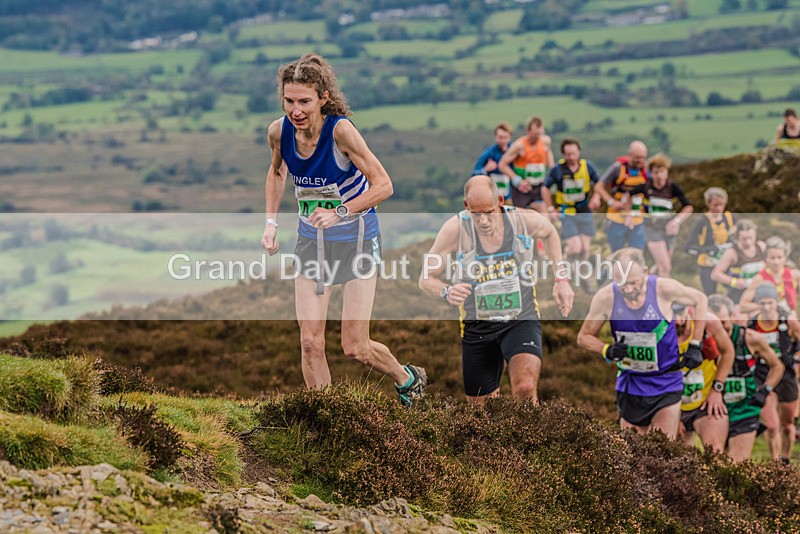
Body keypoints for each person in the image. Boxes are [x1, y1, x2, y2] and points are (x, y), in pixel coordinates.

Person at [260, 53, 426, 406]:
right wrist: (270, 224)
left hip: (357, 239)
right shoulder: (279, 131)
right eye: (289, 101)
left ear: (323, 98)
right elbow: (277, 172)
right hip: (311, 242)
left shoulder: (341, 132)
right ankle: (329, 416)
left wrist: (340, 211)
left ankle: (407, 378)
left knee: (355, 346)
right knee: (310, 342)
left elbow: (383, 185)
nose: (296, 110)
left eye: (304, 101)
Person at [419, 175, 574, 405]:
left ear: (500, 201)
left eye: (489, 211)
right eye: (476, 213)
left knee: (525, 386)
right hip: (477, 326)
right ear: (466, 206)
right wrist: (446, 291)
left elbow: (550, 232)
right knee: (482, 411)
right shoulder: (455, 230)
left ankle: (533, 439)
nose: (483, 220)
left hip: (520, 317)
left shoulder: (521, 221)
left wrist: (561, 279)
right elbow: (426, 278)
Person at [577, 247, 709, 439]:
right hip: (631, 382)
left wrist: (695, 344)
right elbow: (584, 337)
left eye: (633, 283)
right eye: (621, 283)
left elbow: (700, 299)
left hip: (667, 380)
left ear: (645, 273)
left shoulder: (663, 289)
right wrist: (607, 349)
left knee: (662, 449)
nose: (628, 289)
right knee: (632, 450)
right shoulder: (606, 298)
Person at [707, 295, 783, 462]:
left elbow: (777, 366)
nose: (719, 330)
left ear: (733, 317)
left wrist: (766, 389)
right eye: (715, 325)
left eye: (724, 323)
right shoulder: (704, 340)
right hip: (715, 411)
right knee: (717, 463)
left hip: (745, 410)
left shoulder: (751, 338)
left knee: (736, 464)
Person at [747, 282, 800, 463]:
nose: (767, 307)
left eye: (770, 303)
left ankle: (785, 458)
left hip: (786, 375)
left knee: (787, 425)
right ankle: (775, 463)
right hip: (763, 374)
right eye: (762, 303)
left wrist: (797, 360)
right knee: (771, 426)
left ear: (777, 302)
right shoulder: (753, 324)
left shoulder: (788, 322)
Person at [673, 303, 733, 454]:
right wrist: (670, 414)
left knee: (715, 451)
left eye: (681, 314)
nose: (678, 321)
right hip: (672, 402)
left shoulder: (709, 323)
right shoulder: (658, 327)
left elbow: (728, 352)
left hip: (706, 400)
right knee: (679, 458)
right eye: (673, 316)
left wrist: (717, 390)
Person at [542, 138, 600, 290]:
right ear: (563, 154)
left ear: (578, 152)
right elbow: (545, 188)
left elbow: (599, 183)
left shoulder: (587, 166)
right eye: (568, 154)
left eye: (573, 153)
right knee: (575, 248)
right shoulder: (557, 170)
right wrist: (550, 208)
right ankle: (565, 261)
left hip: (585, 211)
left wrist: (596, 196)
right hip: (567, 212)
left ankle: (580, 275)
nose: (571, 157)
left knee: (585, 249)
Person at [590, 141, 648, 252]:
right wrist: (611, 202)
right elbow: (598, 187)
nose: (641, 161)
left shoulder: (645, 170)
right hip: (616, 218)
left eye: (643, 158)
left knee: (637, 253)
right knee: (617, 253)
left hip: (637, 218)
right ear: (630, 155)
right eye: (638, 157)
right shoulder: (617, 168)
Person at [642, 154, 693, 277]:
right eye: (655, 172)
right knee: (665, 266)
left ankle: (648, 282)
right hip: (651, 229)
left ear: (667, 172)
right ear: (651, 174)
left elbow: (689, 207)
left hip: (668, 230)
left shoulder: (673, 188)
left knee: (662, 265)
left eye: (662, 171)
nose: (659, 175)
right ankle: (663, 294)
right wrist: (630, 214)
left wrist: (677, 221)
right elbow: (628, 196)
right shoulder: (645, 187)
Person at [498, 116, 555, 214]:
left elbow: (550, 161)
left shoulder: (545, 142)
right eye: (534, 134)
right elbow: (502, 165)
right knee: (521, 219)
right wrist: (517, 180)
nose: (537, 137)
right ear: (528, 131)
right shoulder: (519, 145)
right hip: (522, 189)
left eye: (539, 134)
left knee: (544, 218)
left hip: (538, 187)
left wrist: (553, 175)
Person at [684, 187, 734, 296]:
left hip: (725, 262)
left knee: (734, 288)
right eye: (716, 205)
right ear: (708, 204)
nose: (720, 208)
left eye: (722, 204)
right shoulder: (703, 222)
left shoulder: (729, 217)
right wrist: (709, 249)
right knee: (710, 295)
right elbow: (688, 246)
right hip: (707, 264)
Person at [738, 236, 800, 315]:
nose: (776, 262)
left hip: (791, 320)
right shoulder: (760, 278)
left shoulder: (794, 275)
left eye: (779, 257)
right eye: (772, 258)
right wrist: (765, 305)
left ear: (785, 257)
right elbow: (743, 306)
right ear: (766, 258)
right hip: (769, 321)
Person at [711, 219, 766, 303]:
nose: (748, 242)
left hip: (759, 291)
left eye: (750, 238)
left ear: (755, 234)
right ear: (737, 237)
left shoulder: (761, 246)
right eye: (744, 239)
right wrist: (733, 281)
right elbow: (715, 274)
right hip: (739, 294)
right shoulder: (732, 252)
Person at [472, 121, 513, 200]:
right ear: (495, 137)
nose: (502, 141)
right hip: (493, 197)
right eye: (500, 137)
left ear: (510, 137)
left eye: (505, 137)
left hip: (512, 196)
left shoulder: (515, 151)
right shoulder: (489, 153)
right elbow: (474, 174)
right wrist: (485, 170)